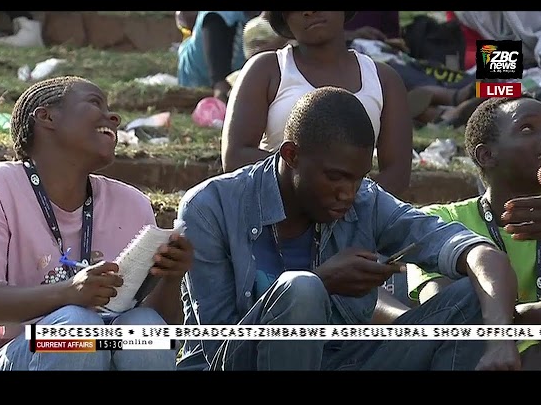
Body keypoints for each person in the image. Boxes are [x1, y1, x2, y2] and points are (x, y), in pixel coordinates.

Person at [176, 86, 523, 372]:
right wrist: (322, 282)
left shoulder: (365, 201)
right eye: (335, 177)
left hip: (344, 359)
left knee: (468, 295)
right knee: (302, 288)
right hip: (233, 364)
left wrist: (500, 339)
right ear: (292, 155)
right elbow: (216, 350)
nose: (348, 193)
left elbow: (478, 253)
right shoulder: (211, 207)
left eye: (359, 178)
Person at [0, 76, 193, 371]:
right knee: (77, 327)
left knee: (145, 327)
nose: (114, 117)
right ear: (47, 117)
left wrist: (171, 277)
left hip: (102, 348)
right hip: (9, 354)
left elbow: (160, 325)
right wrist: (69, 293)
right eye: (95, 103)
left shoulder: (132, 203)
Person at [407, 96, 541, 370]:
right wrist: (533, 316)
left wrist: (514, 315)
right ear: (487, 155)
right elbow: (452, 315)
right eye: (527, 128)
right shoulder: (440, 221)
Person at [220, 11, 412, 198]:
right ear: (284, 19)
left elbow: (398, 172)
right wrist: (310, 183)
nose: (309, 12)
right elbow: (236, 157)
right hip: (278, 213)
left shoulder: (383, 80)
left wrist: (352, 205)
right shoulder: (267, 70)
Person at [177, 11, 259, 103]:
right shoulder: (217, 18)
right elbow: (213, 27)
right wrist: (220, 86)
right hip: (198, 78)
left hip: (235, 75)